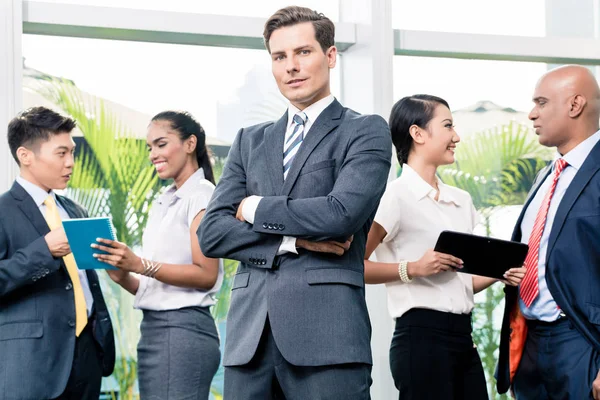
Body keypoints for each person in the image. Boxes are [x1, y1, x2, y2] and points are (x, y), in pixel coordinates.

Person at [198, 6, 391, 399]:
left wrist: (254, 208)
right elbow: (213, 233)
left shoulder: (365, 130)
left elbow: (341, 215)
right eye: (279, 56)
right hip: (248, 342)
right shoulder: (249, 140)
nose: (291, 67)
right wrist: (295, 241)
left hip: (328, 339)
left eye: (303, 52)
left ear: (331, 56)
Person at [363, 95, 526, 400]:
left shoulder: (461, 200)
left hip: (464, 338)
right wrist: (413, 268)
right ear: (418, 134)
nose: (457, 137)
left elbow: (461, 282)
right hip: (420, 338)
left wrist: (499, 273)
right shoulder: (394, 197)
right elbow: (354, 266)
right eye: (448, 125)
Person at [93, 111, 222, 400]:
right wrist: (122, 274)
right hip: (155, 330)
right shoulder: (163, 201)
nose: (153, 154)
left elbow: (206, 274)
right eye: (149, 147)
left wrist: (139, 264)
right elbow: (154, 288)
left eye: (161, 144)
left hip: (182, 332)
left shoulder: (201, 195)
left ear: (190, 144)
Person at [496, 65, 600, 399]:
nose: (531, 114)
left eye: (541, 102)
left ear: (575, 105)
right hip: (530, 343)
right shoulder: (545, 176)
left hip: (582, 340)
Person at [0, 106, 115, 399]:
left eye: (72, 152)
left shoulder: (76, 211)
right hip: (32, 362)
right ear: (25, 156)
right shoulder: (2, 211)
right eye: (61, 153)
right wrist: (44, 250)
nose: (71, 163)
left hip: (87, 354)